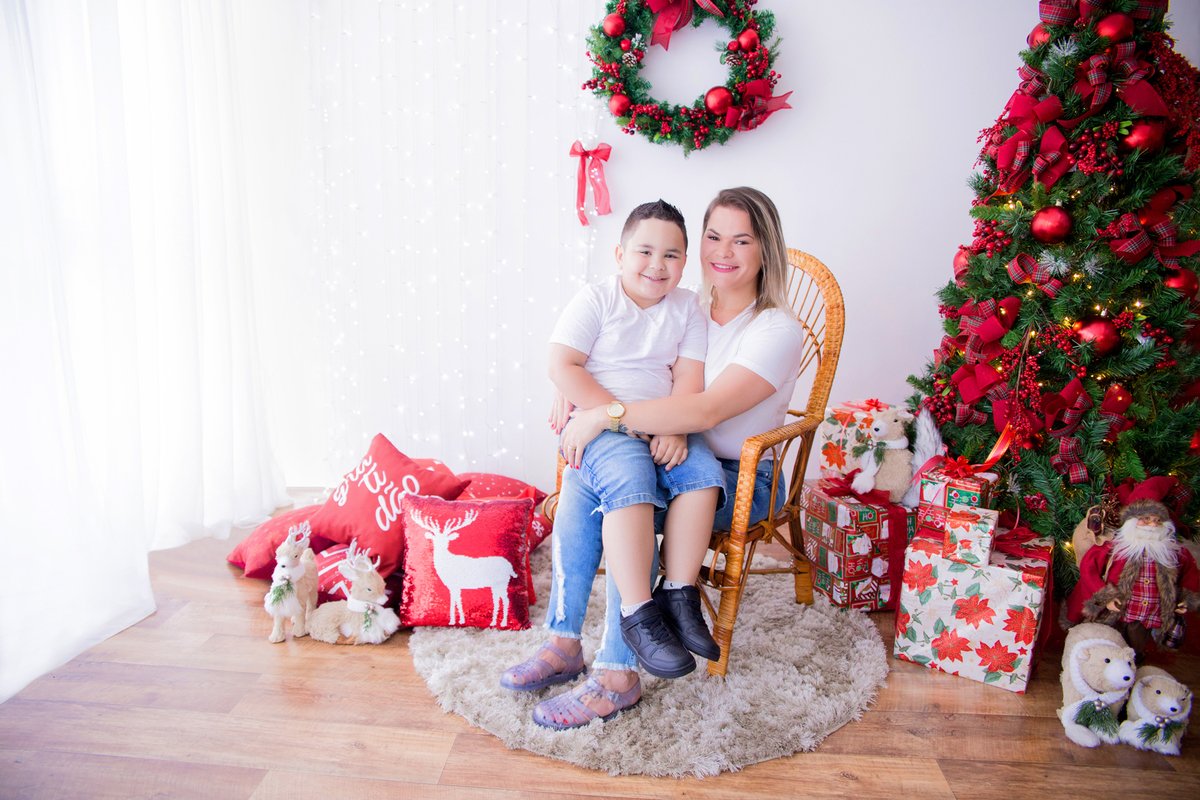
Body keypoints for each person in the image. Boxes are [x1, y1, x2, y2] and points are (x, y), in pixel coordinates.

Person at [503, 187, 806, 730]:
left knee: (621, 496)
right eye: (715, 236)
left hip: (737, 479)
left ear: (767, 249)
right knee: (599, 477)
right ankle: (566, 641)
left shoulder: (775, 329)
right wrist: (576, 385)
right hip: (664, 450)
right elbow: (624, 356)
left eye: (743, 239)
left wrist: (604, 414)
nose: (725, 251)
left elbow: (705, 407)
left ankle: (617, 673)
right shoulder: (685, 303)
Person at [501, 199, 728, 701]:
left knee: (703, 471)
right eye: (645, 251)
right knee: (631, 484)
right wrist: (621, 422)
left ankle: (674, 601)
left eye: (672, 255)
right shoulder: (597, 299)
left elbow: (689, 378)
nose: (657, 264)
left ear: (685, 263)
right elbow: (563, 365)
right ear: (620, 253)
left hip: (663, 420)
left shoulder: (688, 307)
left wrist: (672, 424)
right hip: (602, 426)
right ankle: (612, 633)